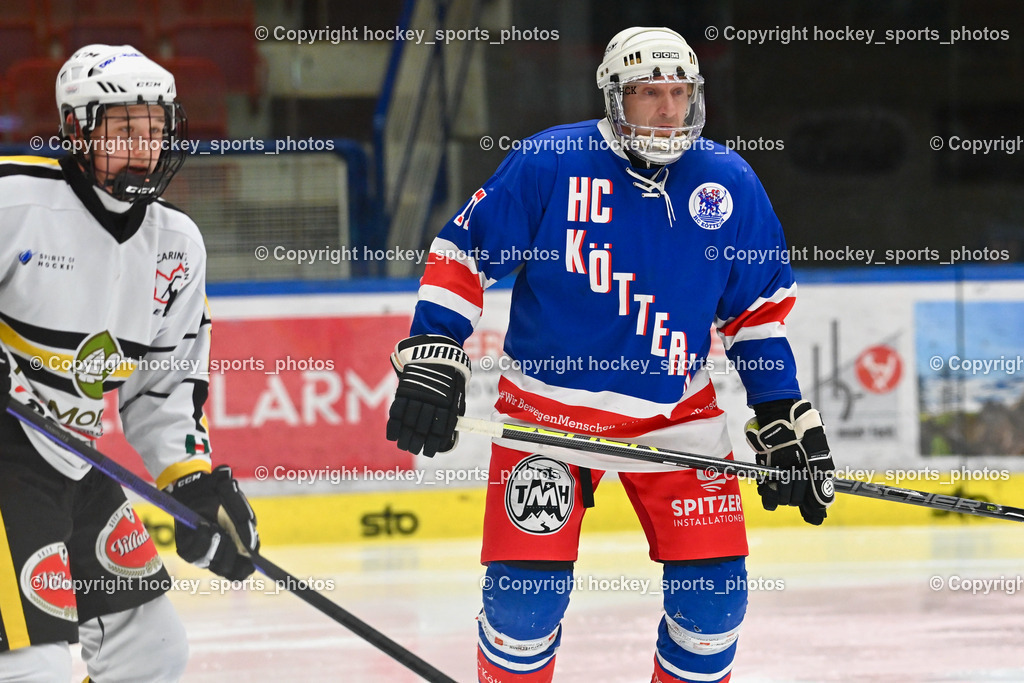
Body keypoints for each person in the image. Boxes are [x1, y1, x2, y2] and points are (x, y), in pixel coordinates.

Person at [387, 26, 837, 682]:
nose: (666, 108)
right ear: (613, 97)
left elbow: (755, 313)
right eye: (648, 92)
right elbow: (462, 252)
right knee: (522, 605)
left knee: (714, 603)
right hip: (547, 418)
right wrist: (435, 346)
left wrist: (778, 409)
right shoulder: (548, 163)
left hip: (677, 420)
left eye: (678, 92)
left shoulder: (729, 183)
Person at [0, 45, 259, 682]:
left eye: (154, 126)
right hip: (5, 454)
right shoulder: (13, 202)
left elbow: (163, 390)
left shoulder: (177, 245)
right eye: (122, 128)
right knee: (36, 669)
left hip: (71, 456)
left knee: (152, 652)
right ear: (75, 131)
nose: (144, 146)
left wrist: (192, 479)